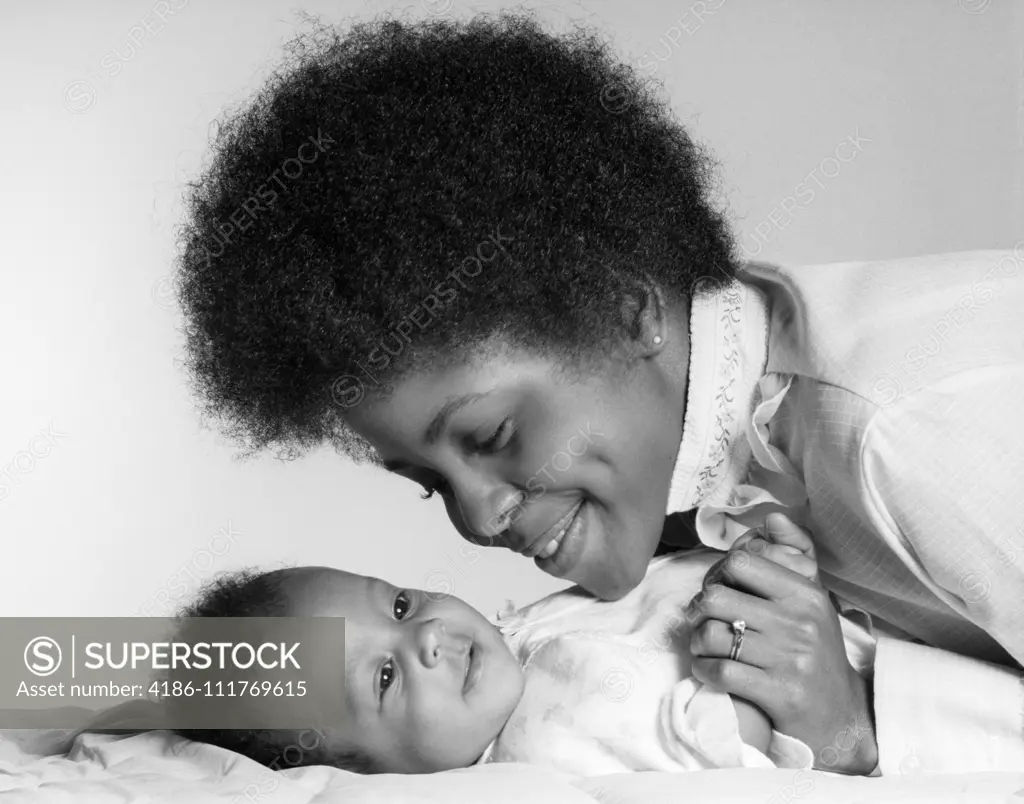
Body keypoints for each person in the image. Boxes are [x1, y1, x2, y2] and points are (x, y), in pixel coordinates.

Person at [174, 12, 1024, 775]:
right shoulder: (690, 480)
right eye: (429, 483)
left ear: (626, 309)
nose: (477, 520)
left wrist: (855, 737)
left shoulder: (902, 430)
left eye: (493, 433)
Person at [173, 519, 875, 775]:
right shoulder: (543, 761)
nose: (425, 637)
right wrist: (763, 617)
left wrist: (751, 566)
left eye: (397, 604)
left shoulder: (524, 635)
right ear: (365, 771)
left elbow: (644, 586)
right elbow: (734, 762)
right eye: (383, 676)